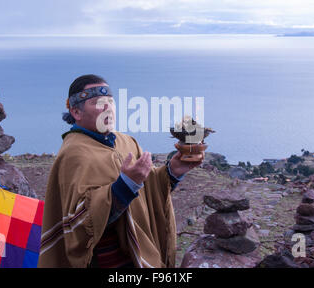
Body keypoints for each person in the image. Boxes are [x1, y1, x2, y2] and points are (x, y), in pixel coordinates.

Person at [38, 74, 203, 268]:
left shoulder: (126, 142)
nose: (108, 107)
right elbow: (80, 225)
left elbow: (148, 190)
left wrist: (174, 170)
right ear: (76, 112)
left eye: (110, 101)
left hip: (138, 258)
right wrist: (126, 185)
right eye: (98, 103)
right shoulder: (73, 154)